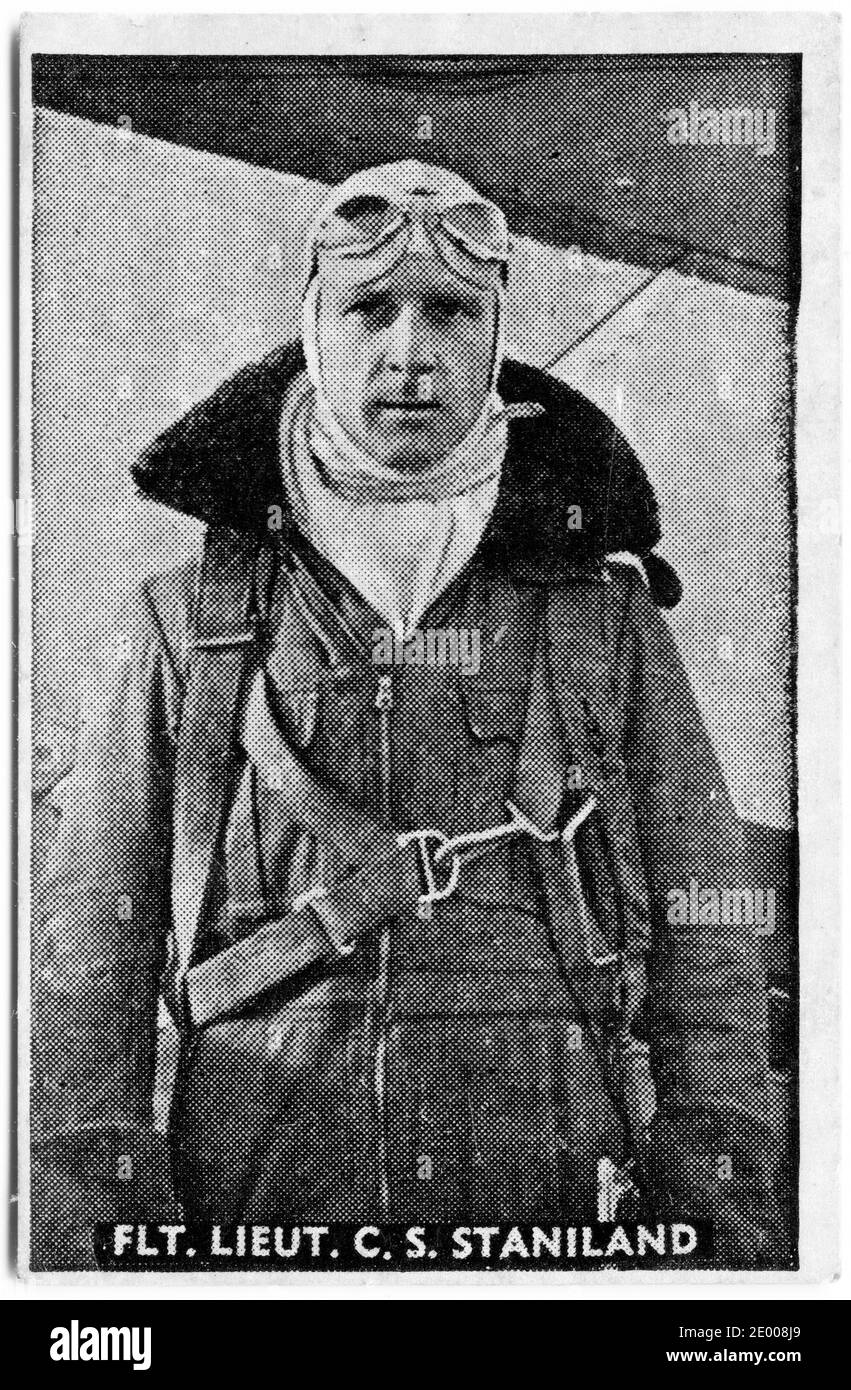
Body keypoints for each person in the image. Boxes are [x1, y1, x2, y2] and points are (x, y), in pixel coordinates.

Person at [32, 160, 783, 1270]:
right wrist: (93, 1248)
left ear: (493, 342)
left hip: (539, 1204)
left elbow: (706, 939)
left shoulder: (605, 621)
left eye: (450, 312)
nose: (409, 353)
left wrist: (717, 1231)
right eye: (368, 309)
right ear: (313, 329)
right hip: (256, 1201)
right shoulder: (182, 625)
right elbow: (86, 961)